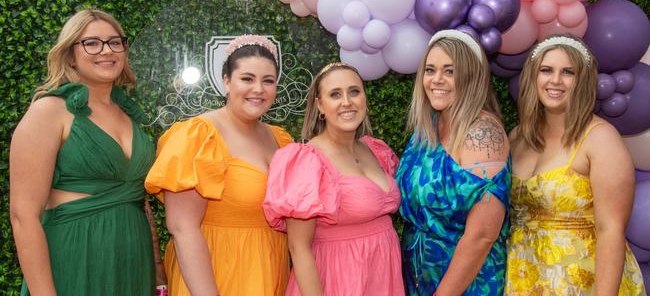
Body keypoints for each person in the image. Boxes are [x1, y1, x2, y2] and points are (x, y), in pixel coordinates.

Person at [9, 9, 163, 295]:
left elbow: (140, 202)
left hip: (133, 264)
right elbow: (23, 216)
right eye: (91, 43)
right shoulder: (49, 111)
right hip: (74, 256)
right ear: (70, 54)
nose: (106, 50)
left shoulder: (131, 116)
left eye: (115, 42)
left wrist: (157, 273)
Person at [145, 34, 292, 296]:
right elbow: (182, 228)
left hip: (270, 269)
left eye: (268, 81)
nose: (258, 89)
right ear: (226, 81)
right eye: (247, 78)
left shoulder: (280, 139)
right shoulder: (199, 136)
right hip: (217, 275)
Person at [505, 35, 646, 295]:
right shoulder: (518, 136)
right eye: (546, 70)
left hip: (583, 281)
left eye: (567, 72)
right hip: (523, 276)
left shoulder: (601, 139)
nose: (555, 81)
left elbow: (611, 231)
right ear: (533, 77)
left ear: (582, 80)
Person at [264, 62, 405, 296]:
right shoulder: (306, 161)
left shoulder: (376, 150)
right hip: (336, 281)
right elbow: (299, 248)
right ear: (320, 105)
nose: (347, 102)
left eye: (354, 91)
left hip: (382, 278)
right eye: (335, 94)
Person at [397, 30, 511, 295]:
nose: (437, 80)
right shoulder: (426, 129)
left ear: (471, 77)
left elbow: (482, 236)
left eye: (450, 71)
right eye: (430, 70)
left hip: (465, 284)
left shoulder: (483, 134)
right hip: (417, 279)